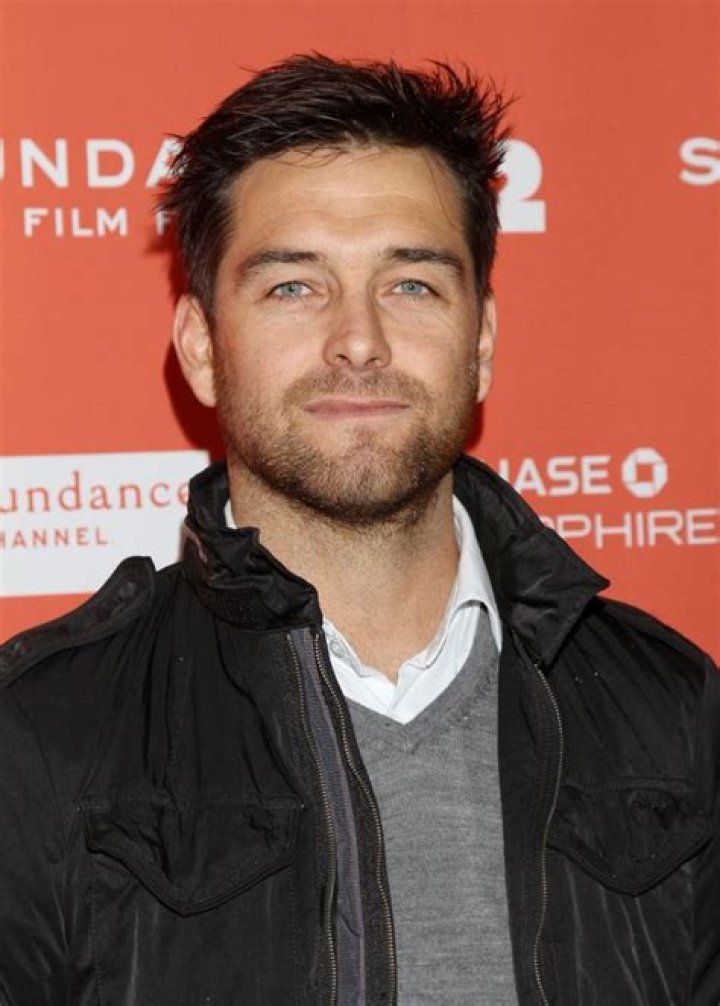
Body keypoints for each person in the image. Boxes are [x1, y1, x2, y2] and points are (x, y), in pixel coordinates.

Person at [0, 54, 717, 1006]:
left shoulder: (673, 710)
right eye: (294, 287)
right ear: (202, 348)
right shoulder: (40, 736)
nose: (359, 341)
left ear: (482, 342)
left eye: (411, 285)